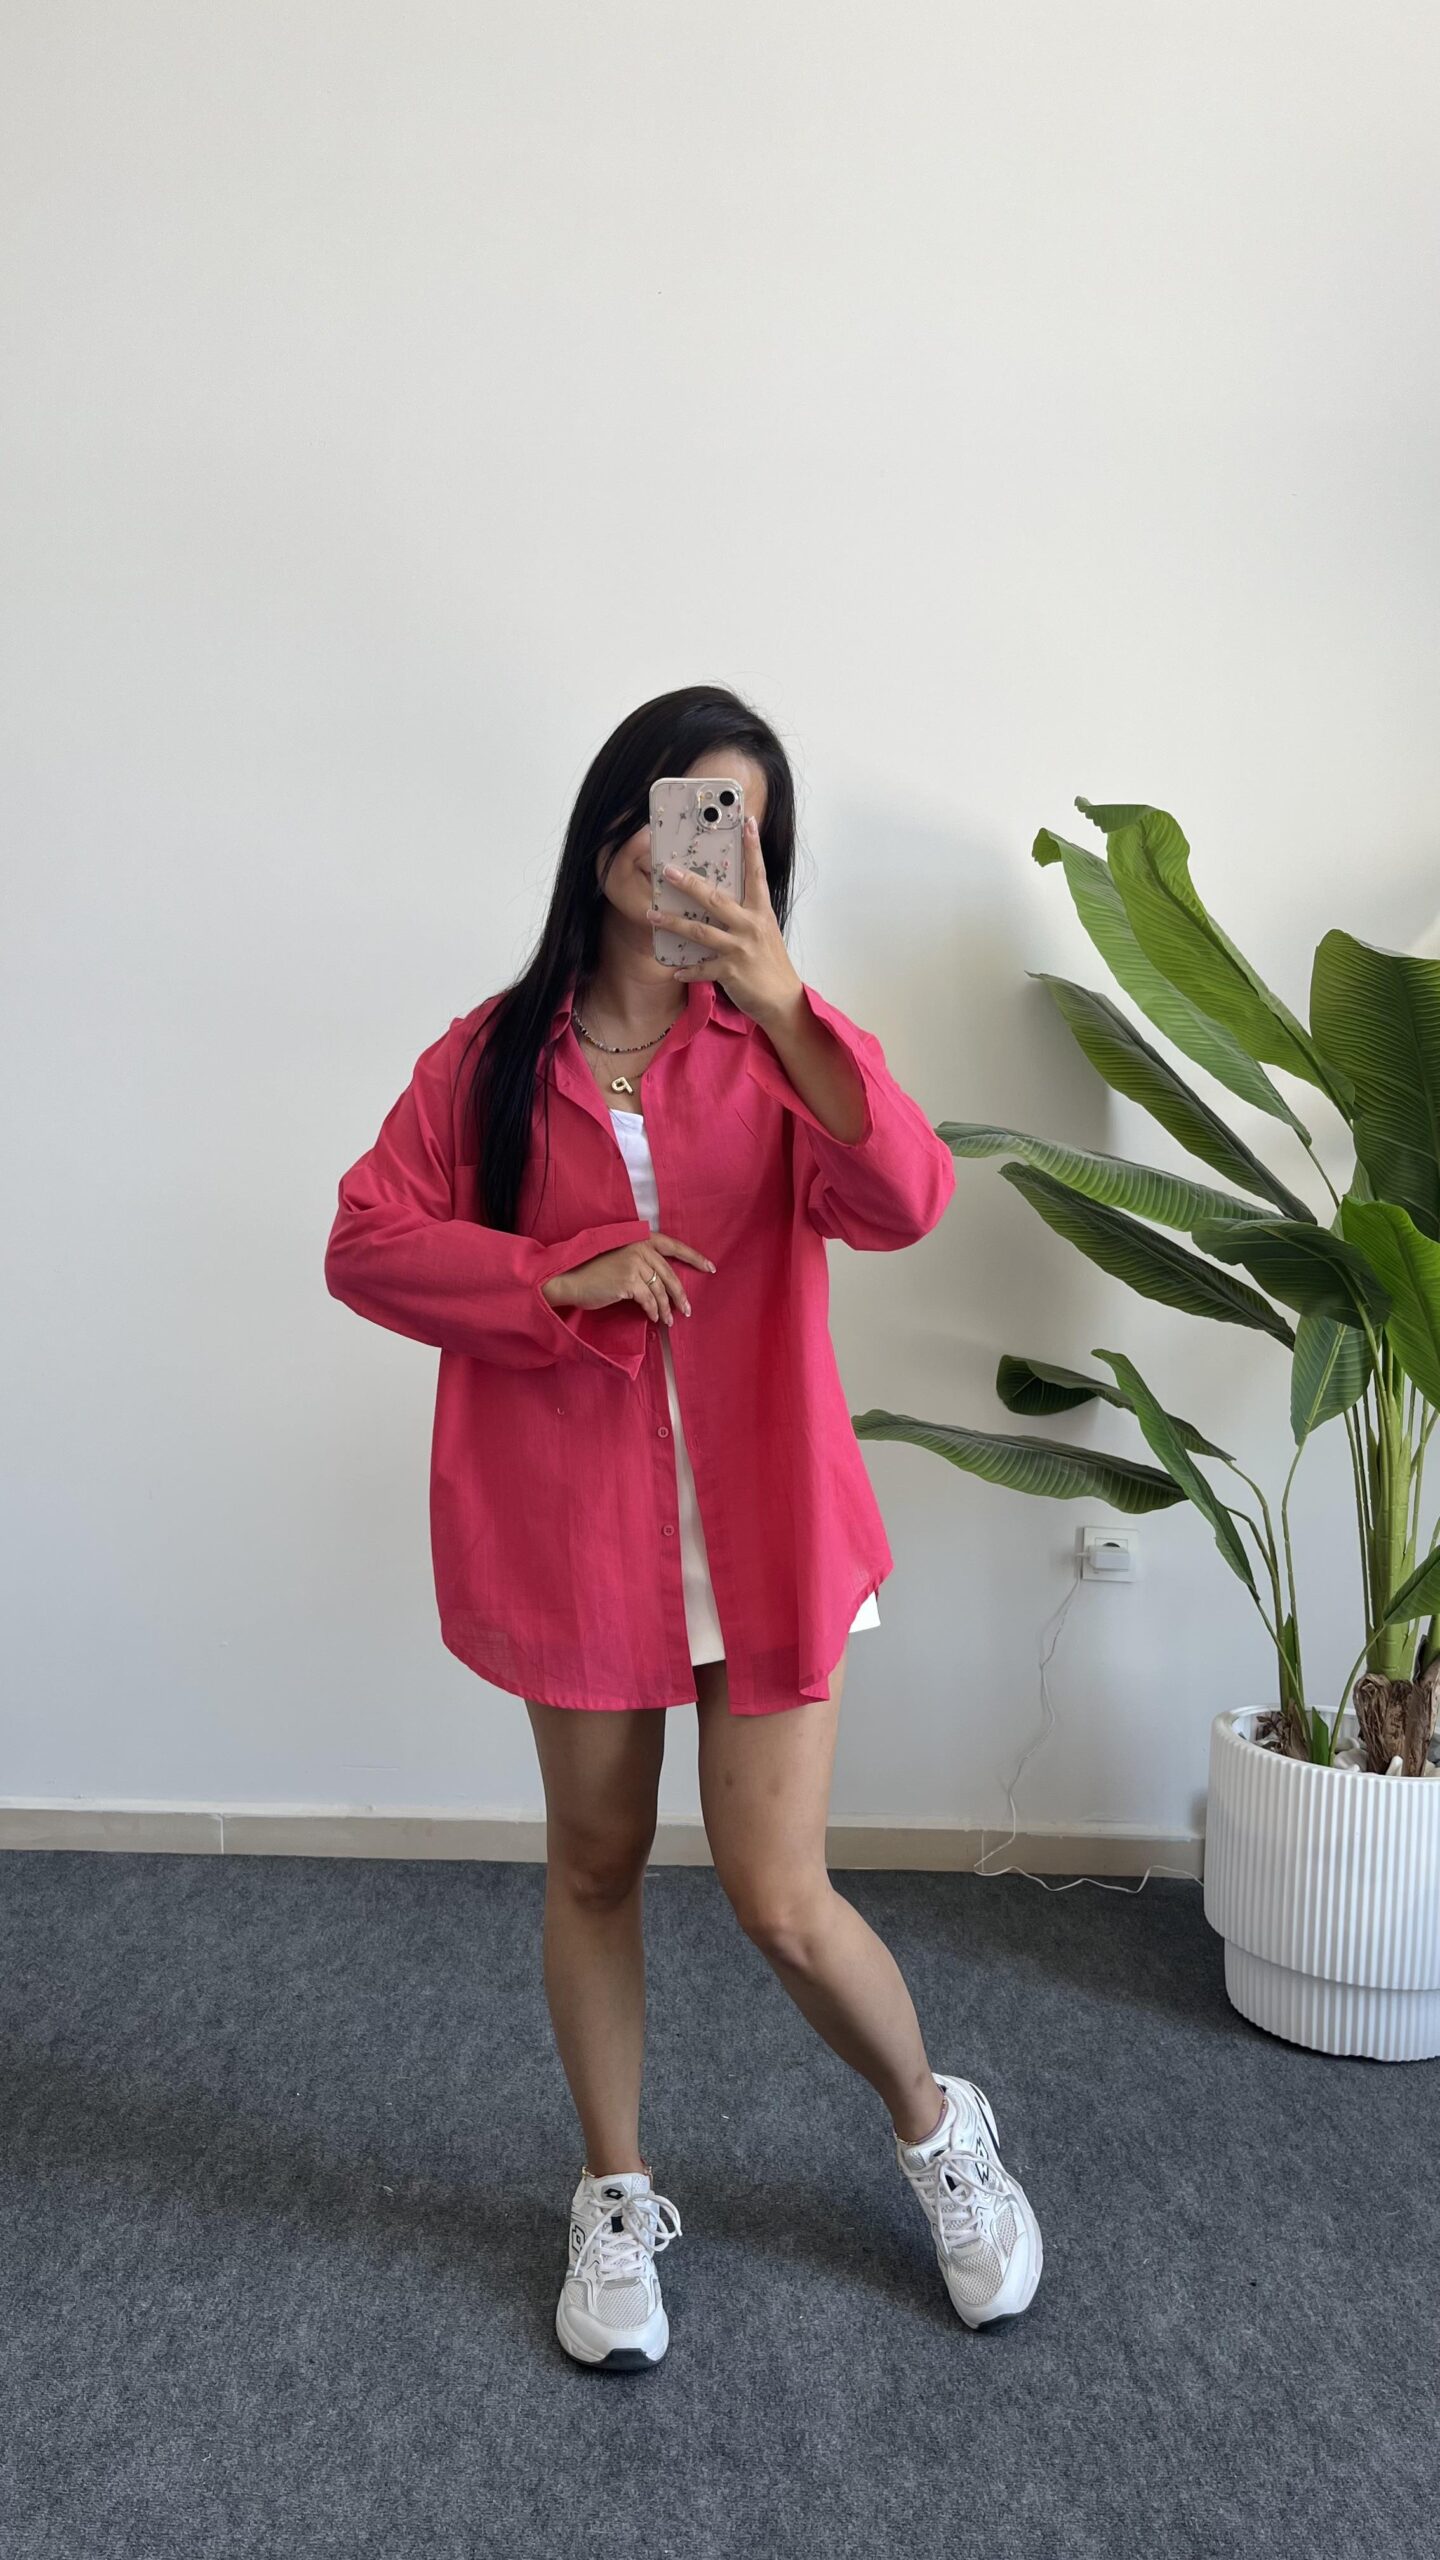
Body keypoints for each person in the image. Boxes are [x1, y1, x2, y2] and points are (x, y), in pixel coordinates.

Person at [324, 685, 1043, 2371]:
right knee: (593, 1862)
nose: (702, 855)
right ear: (611, 833)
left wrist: (783, 1001)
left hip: (769, 1517)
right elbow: (365, 1243)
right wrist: (551, 1274)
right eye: (683, 812)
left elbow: (907, 1198)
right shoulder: (488, 1062)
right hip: (577, 1526)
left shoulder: (784, 1048)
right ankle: (616, 2190)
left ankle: (939, 2126)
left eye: (742, 832)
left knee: (778, 1895)